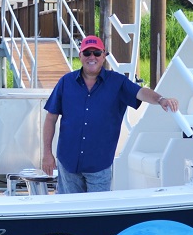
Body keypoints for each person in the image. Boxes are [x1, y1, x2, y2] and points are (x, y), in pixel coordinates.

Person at [42, 35, 179, 193]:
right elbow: (50, 119)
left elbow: (141, 92)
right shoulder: (65, 82)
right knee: (69, 212)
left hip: (99, 165)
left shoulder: (117, 82)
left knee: (98, 214)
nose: (92, 57)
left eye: (96, 53)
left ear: (104, 55)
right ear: (80, 56)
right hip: (68, 164)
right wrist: (47, 153)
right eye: (87, 53)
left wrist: (161, 99)